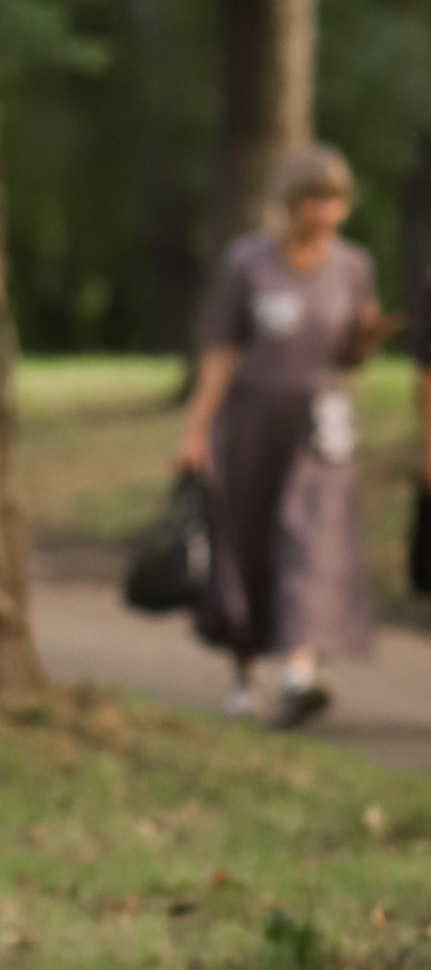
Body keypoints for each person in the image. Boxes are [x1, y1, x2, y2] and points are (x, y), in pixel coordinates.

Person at [176, 142, 391, 726]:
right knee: (249, 540)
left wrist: (366, 340)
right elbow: (221, 348)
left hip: (321, 424)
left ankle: (300, 673)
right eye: (313, 201)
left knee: (313, 543)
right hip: (252, 421)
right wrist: (196, 429)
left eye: (334, 202)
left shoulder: (353, 265)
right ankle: (244, 670)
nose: (324, 214)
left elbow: (348, 356)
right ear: (289, 203)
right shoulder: (247, 262)